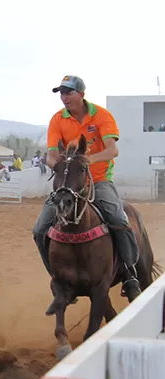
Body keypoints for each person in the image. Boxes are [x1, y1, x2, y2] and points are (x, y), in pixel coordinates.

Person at [32, 75, 141, 306]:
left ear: (81, 94)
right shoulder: (57, 120)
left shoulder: (101, 115)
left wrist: (88, 160)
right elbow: (51, 154)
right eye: (61, 93)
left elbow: (113, 150)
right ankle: (58, 279)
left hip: (99, 180)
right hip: (68, 184)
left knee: (118, 217)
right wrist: (62, 166)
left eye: (68, 92)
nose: (64, 97)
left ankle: (130, 274)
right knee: (40, 228)